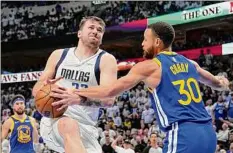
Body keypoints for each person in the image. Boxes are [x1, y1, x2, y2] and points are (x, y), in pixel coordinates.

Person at [53, 21, 230, 153]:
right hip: (208, 134)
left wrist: (73, 91)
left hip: (183, 133)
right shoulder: (191, 64)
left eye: (145, 40)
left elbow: (109, 90)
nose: (142, 44)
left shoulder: (150, 66)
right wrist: (224, 82)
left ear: (157, 43)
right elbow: (218, 84)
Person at [32, 16, 117, 153]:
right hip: (54, 120)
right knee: (68, 124)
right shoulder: (59, 55)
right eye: (91, 27)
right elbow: (36, 91)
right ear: (79, 33)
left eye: (99, 30)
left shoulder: (106, 60)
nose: (95, 31)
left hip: (86, 128)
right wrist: (44, 88)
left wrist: (79, 99)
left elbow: (109, 100)